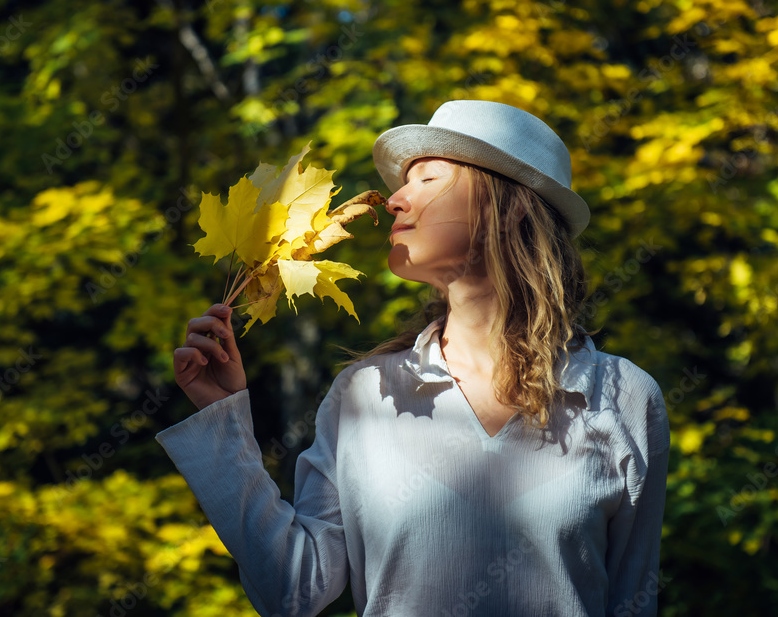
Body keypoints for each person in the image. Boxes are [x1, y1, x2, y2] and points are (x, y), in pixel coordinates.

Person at [156, 100, 671, 617]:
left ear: (510, 206)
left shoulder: (621, 397)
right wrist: (223, 425)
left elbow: (633, 602)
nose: (395, 200)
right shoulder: (364, 396)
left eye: (426, 179)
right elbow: (293, 589)